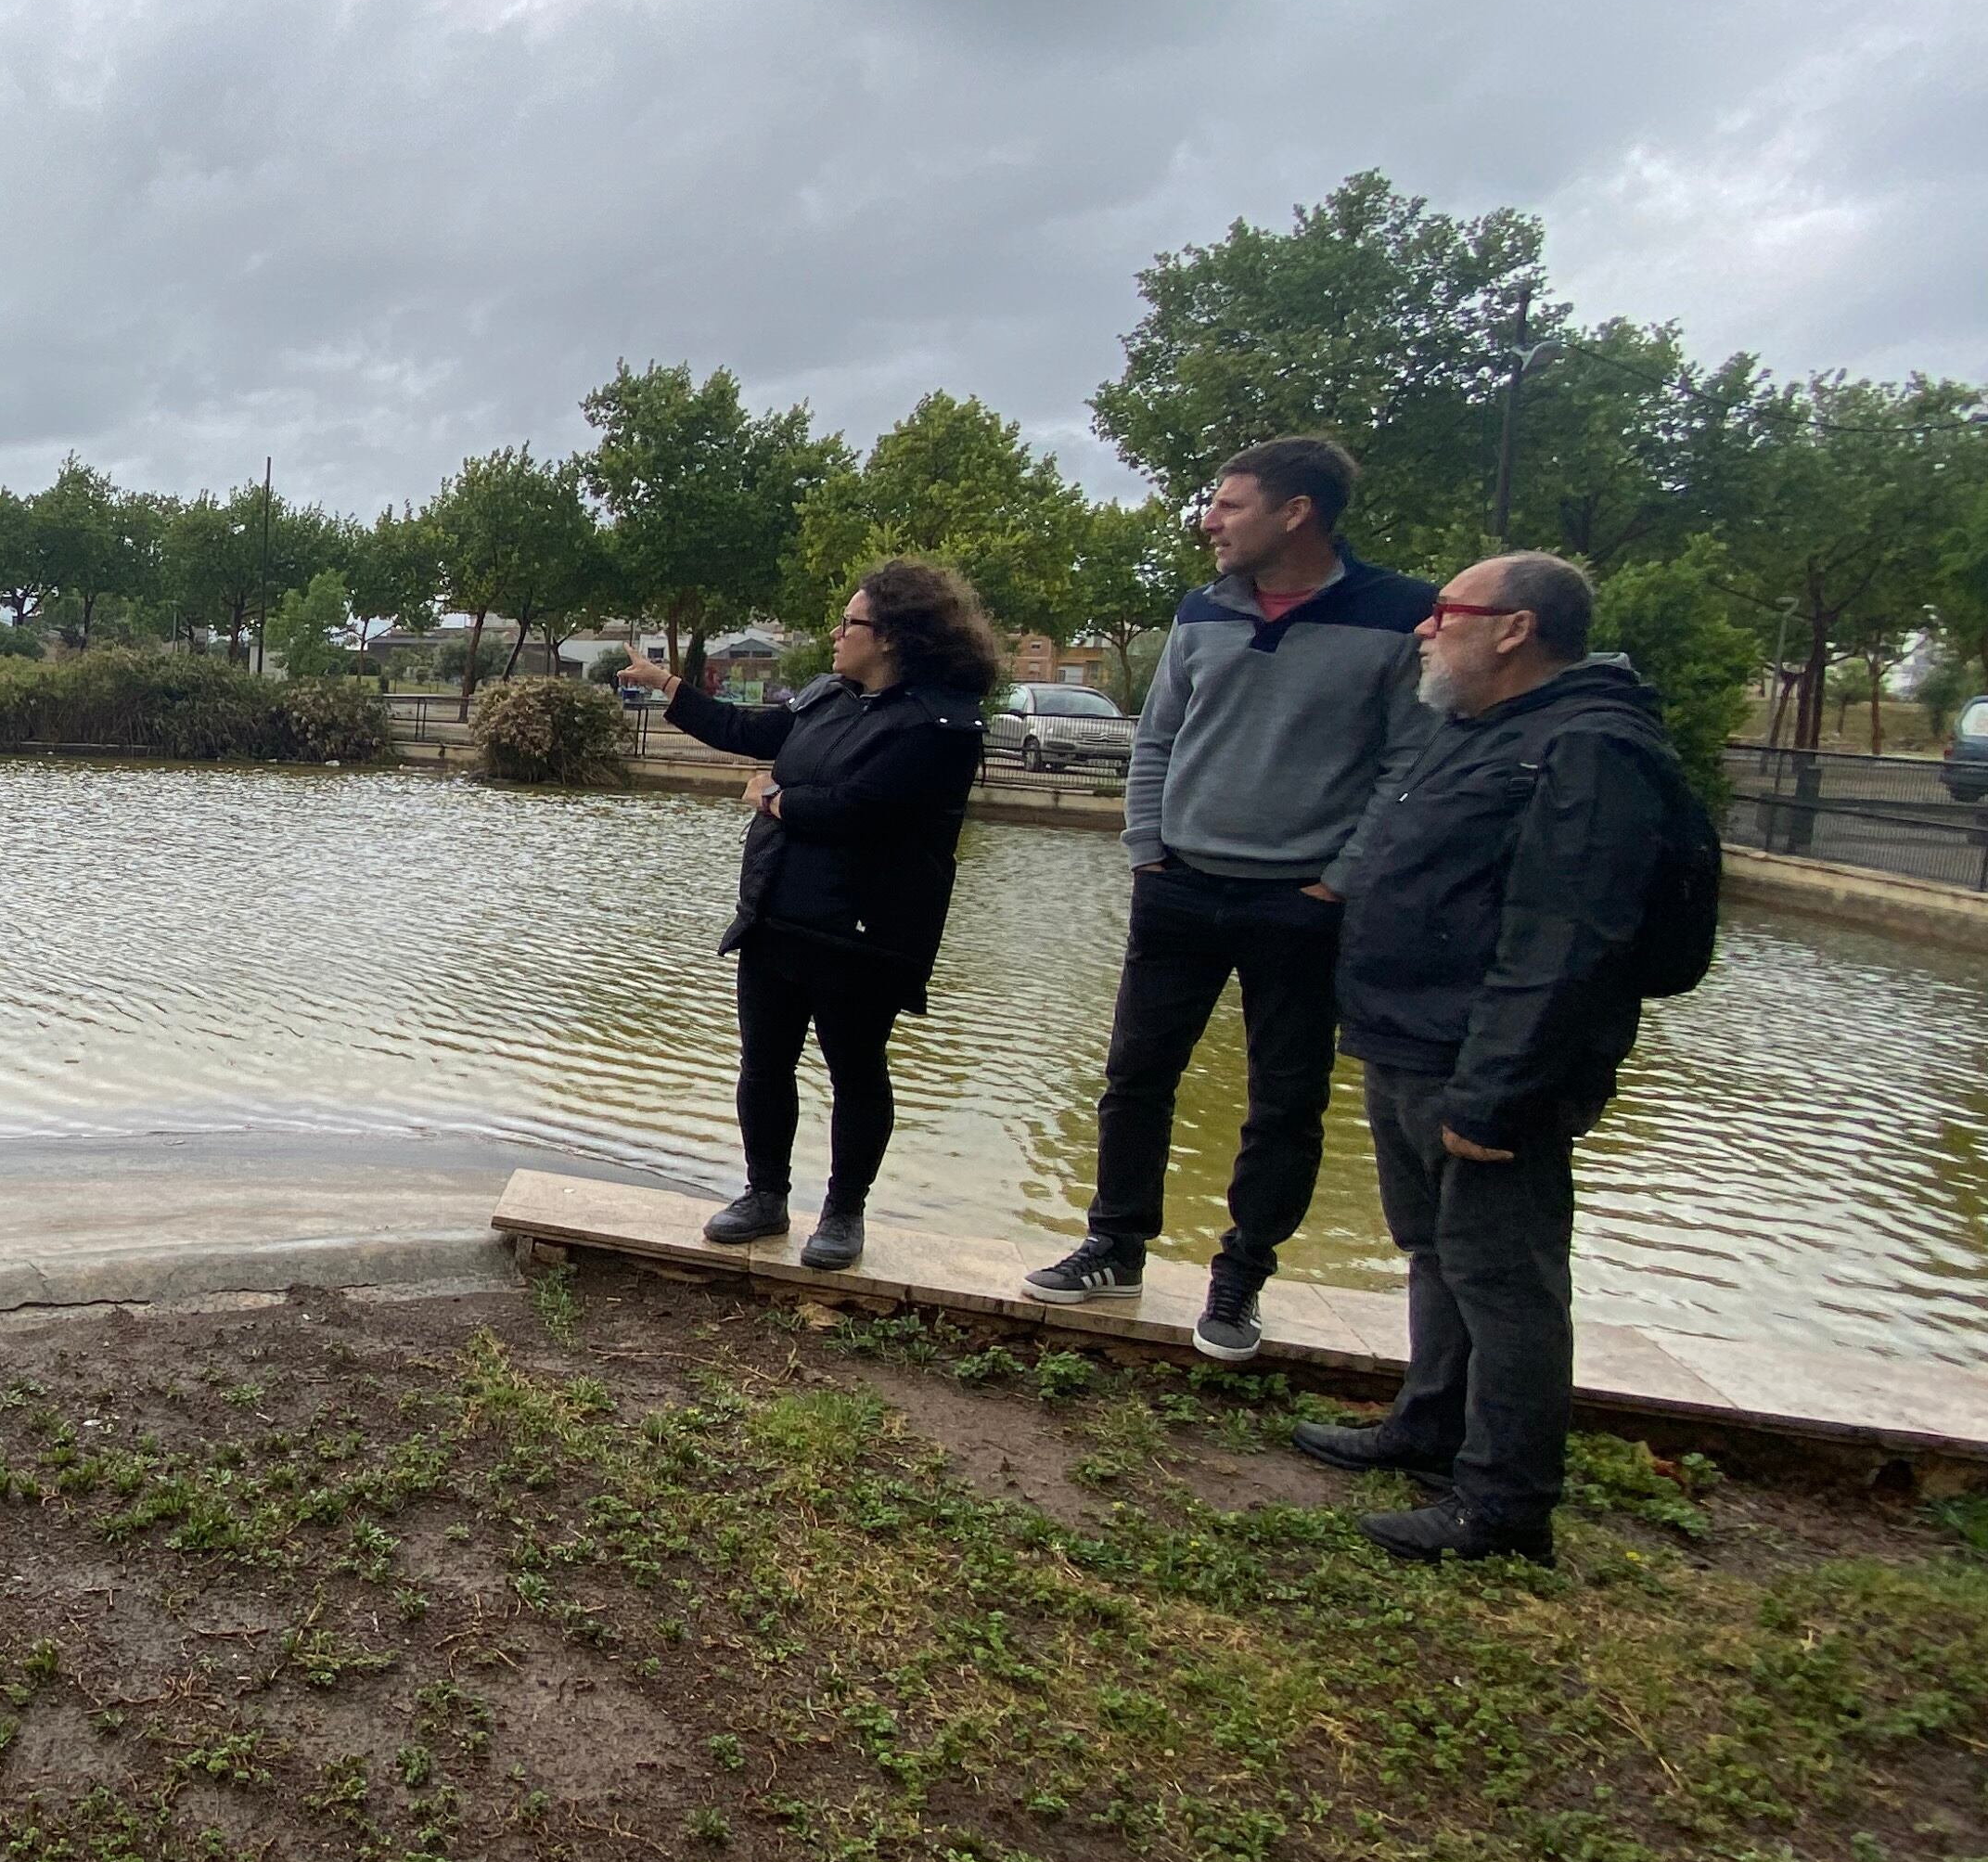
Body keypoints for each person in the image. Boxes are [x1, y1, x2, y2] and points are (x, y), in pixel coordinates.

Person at [1289, 551, 1690, 1563]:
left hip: (1486, 1066)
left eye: (1446, 614)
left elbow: (1563, 939)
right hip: (1414, 1044)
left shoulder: (1589, 749)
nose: (1426, 630)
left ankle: (1504, 1508)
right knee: (1435, 1252)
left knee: (1505, 1279)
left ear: (1514, 628)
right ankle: (1430, 1424)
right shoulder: (1484, 731)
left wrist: (1499, 1092)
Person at [1026, 435, 1434, 1359]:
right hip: (1179, 888)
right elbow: (1157, 737)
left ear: (1297, 512)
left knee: (1284, 1102)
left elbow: (1410, 763)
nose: (1209, 520)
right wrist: (1146, 849)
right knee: (1136, 1076)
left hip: (1304, 903)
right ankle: (1115, 1244)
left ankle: (1241, 1278)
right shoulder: (1202, 609)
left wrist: (1339, 879)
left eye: (1230, 504)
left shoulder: (1400, 614)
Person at [622, 559, 998, 1274]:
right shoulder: (829, 696)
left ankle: (844, 1211)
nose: (835, 633)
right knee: (764, 1065)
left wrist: (774, 799)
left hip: (864, 934)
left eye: (850, 623)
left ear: (890, 638)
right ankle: (764, 1196)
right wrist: (669, 686)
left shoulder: (941, 724)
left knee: (857, 1072)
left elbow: (862, 811)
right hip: (780, 913)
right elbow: (751, 730)